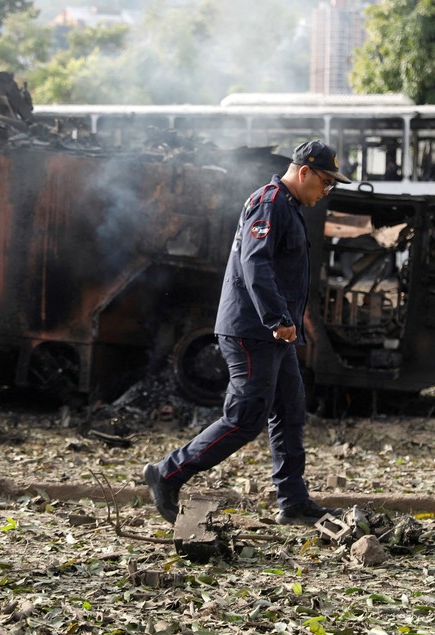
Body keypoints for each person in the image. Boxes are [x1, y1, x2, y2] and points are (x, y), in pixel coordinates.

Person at [143, 140, 351, 526]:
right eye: (326, 182)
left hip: (273, 333)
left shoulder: (287, 206)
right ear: (304, 172)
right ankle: (168, 473)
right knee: (244, 418)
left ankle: (293, 502)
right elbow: (255, 263)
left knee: (289, 409)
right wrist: (277, 319)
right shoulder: (270, 202)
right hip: (255, 331)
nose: (327, 191)